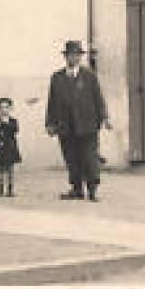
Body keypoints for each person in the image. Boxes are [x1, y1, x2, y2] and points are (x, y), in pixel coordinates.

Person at [45, 39, 110, 201]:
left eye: (76, 55)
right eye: (70, 55)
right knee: (71, 157)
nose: (73, 58)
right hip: (65, 125)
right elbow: (51, 102)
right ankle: (76, 189)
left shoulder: (89, 76)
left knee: (89, 157)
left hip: (88, 124)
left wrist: (105, 117)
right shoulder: (57, 78)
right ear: (65, 57)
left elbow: (98, 98)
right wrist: (50, 123)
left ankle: (92, 190)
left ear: (80, 57)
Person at [0, 96, 22, 197]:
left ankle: (10, 189)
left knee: (10, 169)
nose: (4, 110)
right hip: (0, 149)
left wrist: (5, 123)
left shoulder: (13, 121)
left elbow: (15, 130)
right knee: (1, 169)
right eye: (1, 107)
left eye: (6, 107)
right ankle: (0, 189)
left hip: (10, 148)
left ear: (10, 108)